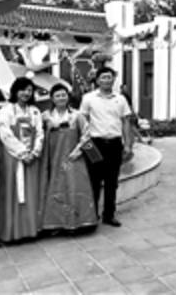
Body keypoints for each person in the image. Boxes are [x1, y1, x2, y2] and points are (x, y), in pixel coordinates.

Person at [40, 83, 97, 232]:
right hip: (53, 157)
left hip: (73, 157)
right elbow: (39, 135)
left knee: (74, 187)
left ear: (68, 96)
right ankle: (55, 223)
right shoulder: (45, 116)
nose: (61, 98)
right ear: (52, 98)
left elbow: (86, 134)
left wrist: (77, 151)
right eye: (57, 95)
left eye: (63, 95)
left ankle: (79, 221)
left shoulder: (77, 115)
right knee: (55, 187)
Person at [79, 67, 132, 227]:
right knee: (94, 181)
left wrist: (127, 145)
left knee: (112, 182)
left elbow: (126, 122)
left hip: (114, 144)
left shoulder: (121, 99)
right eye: (103, 77)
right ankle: (92, 215)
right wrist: (84, 142)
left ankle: (109, 215)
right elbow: (82, 120)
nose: (107, 80)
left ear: (113, 80)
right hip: (94, 145)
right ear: (97, 80)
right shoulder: (88, 98)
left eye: (109, 77)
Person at [0, 77, 44, 242]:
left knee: (31, 192)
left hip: (32, 159)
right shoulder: (6, 110)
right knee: (12, 192)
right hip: (12, 158)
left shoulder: (35, 111)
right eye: (22, 89)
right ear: (15, 91)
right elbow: (5, 134)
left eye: (29, 90)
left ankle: (30, 230)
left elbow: (40, 133)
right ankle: (11, 232)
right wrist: (22, 153)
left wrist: (34, 152)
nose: (26, 93)